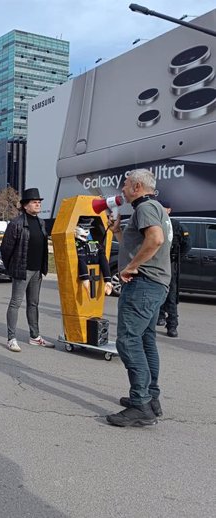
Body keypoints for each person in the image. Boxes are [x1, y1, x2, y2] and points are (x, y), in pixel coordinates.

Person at [106, 168, 172, 427]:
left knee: (127, 341)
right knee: (146, 340)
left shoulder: (144, 207)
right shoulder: (154, 207)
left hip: (143, 283)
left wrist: (131, 266)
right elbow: (144, 241)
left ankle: (141, 403)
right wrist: (118, 232)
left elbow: (154, 240)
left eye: (125, 184)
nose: (122, 189)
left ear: (136, 187)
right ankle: (150, 397)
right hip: (155, 284)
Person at [0, 188, 52, 352]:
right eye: (34, 202)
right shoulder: (16, 224)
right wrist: (12, 268)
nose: (38, 204)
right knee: (15, 303)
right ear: (25, 206)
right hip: (22, 270)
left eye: (39, 202)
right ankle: (11, 338)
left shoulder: (41, 222)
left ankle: (35, 336)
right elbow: (5, 249)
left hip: (37, 270)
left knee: (33, 303)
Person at [156, 200, 190, 338]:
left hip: (170, 264)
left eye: (163, 209)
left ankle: (172, 325)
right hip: (156, 263)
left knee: (171, 295)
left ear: (169, 210)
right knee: (156, 291)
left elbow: (187, 246)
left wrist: (175, 259)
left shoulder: (176, 226)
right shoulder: (155, 224)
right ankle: (159, 316)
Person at [75, 225, 113, 297]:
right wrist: (85, 278)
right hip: (78, 279)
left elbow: (103, 259)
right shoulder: (74, 244)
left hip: (94, 280)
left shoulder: (93, 244)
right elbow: (81, 259)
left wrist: (107, 279)